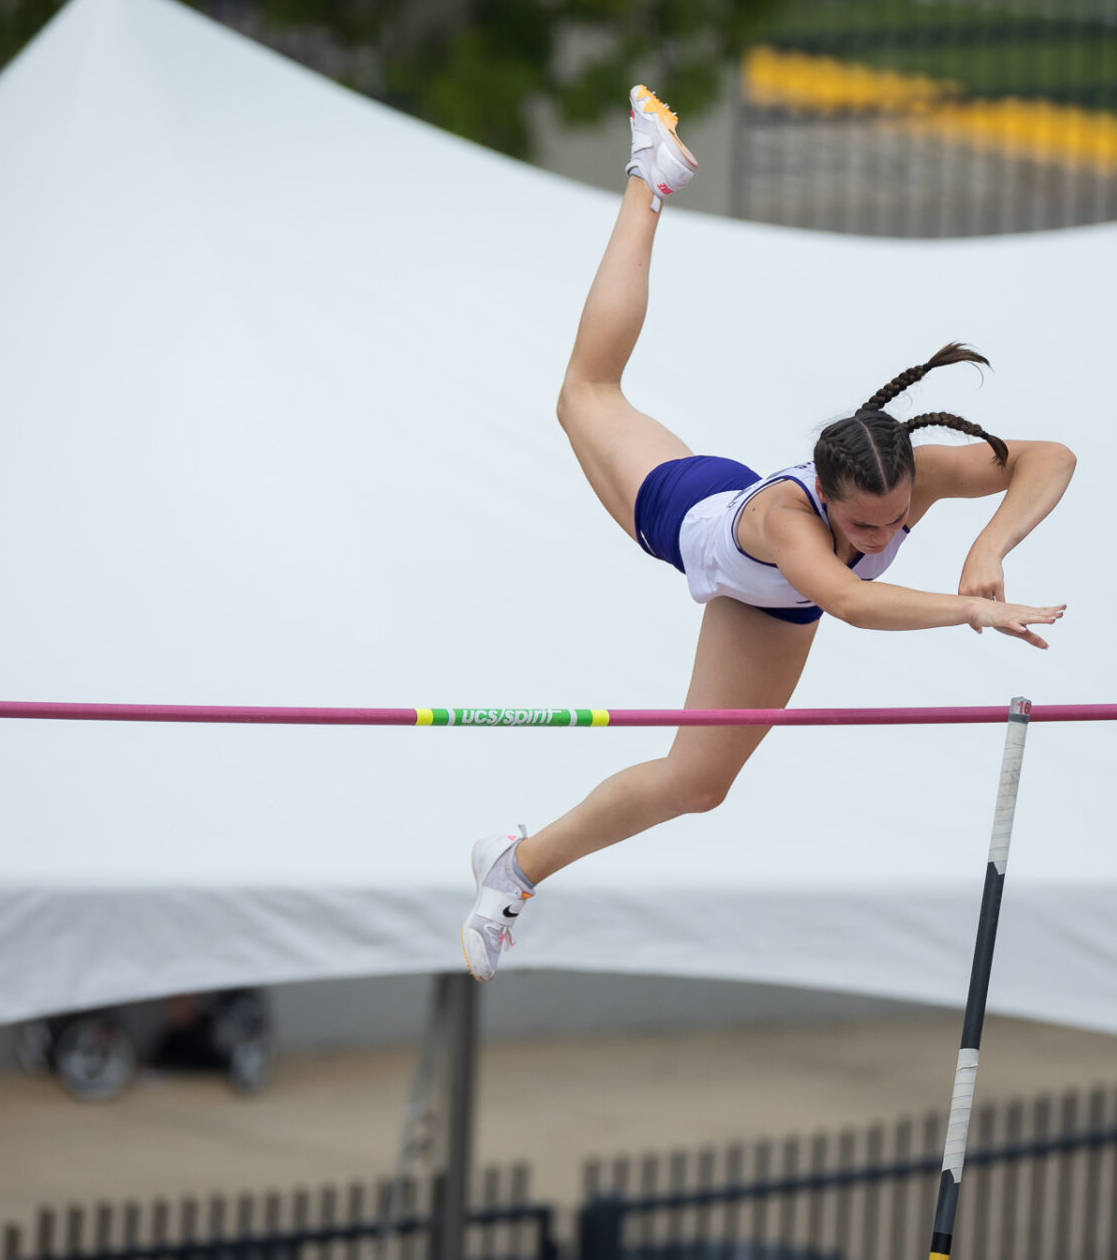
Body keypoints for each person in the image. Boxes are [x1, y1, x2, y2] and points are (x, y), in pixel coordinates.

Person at [460, 86, 1076, 981]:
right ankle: (649, 178)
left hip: (771, 607)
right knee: (585, 394)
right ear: (824, 494)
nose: (884, 531)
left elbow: (1050, 457)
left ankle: (515, 860)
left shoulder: (917, 469)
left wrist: (990, 548)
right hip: (688, 514)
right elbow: (847, 597)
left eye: (898, 516)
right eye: (862, 522)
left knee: (698, 785)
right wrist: (965, 610)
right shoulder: (794, 520)